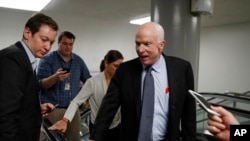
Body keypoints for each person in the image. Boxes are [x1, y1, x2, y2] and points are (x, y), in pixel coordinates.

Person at [88, 22, 196, 141]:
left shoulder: (182, 69)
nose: (140, 49)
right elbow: (108, 107)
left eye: (146, 44)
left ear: (161, 45)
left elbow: (189, 115)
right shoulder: (124, 71)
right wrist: (94, 138)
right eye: (137, 44)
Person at [0, 13, 59, 141]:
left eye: (51, 42)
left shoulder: (26, 59)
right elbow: (5, 115)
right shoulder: (13, 59)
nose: (48, 47)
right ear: (27, 33)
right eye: (44, 39)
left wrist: (35, 108)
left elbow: (16, 101)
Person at [48, 50, 124, 141]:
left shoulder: (122, 81)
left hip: (116, 126)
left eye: (121, 66)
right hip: (97, 128)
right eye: (116, 66)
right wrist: (65, 120)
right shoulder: (93, 82)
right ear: (106, 63)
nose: (119, 69)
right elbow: (76, 101)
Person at [37, 31, 91, 141]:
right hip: (53, 109)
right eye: (65, 43)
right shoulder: (47, 60)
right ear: (58, 43)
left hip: (72, 109)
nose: (68, 47)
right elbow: (39, 84)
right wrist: (55, 78)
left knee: (74, 138)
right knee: (53, 138)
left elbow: (88, 80)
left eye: (70, 44)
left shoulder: (78, 61)